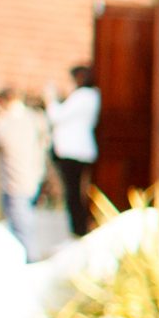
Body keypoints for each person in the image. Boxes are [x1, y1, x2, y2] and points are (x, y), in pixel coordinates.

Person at [0, 88, 49, 258]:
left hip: (15, 180)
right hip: (33, 177)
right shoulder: (35, 118)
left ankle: (28, 262)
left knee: (20, 227)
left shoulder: (7, 122)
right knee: (24, 223)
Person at [48, 64, 101, 237]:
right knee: (76, 191)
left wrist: (51, 99)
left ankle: (79, 229)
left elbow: (56, 115)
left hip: (73, 151)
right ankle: (80, 227)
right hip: (79, 150)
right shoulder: (91, 96)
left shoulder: (83, 96)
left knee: (74, 192)